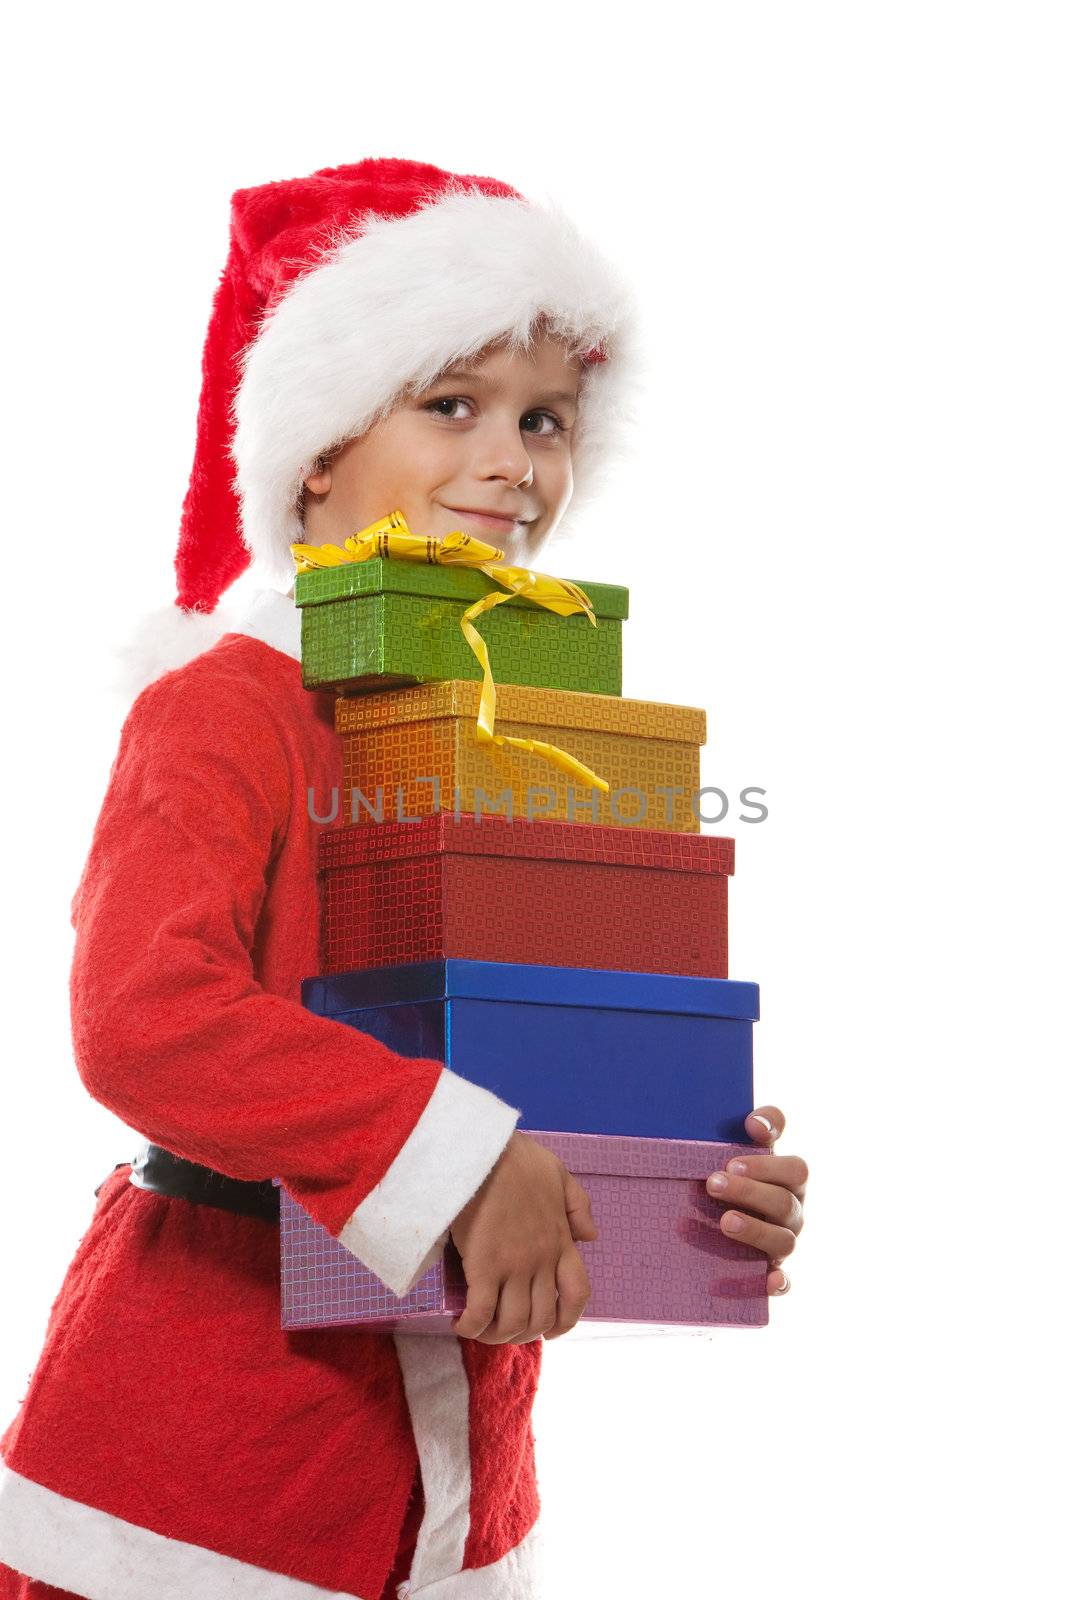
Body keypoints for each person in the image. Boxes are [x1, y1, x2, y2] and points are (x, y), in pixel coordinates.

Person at [0, 157, 808, 1600]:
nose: (514, 463)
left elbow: (519, 1051)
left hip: (457, 1488)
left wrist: (685, 1184)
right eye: (454, 406)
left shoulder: (512, 733)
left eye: (545, 420)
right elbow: (145, 1013)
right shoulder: (225, 706)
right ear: (316, 452)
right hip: (200, 1475)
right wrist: (468, 1154)